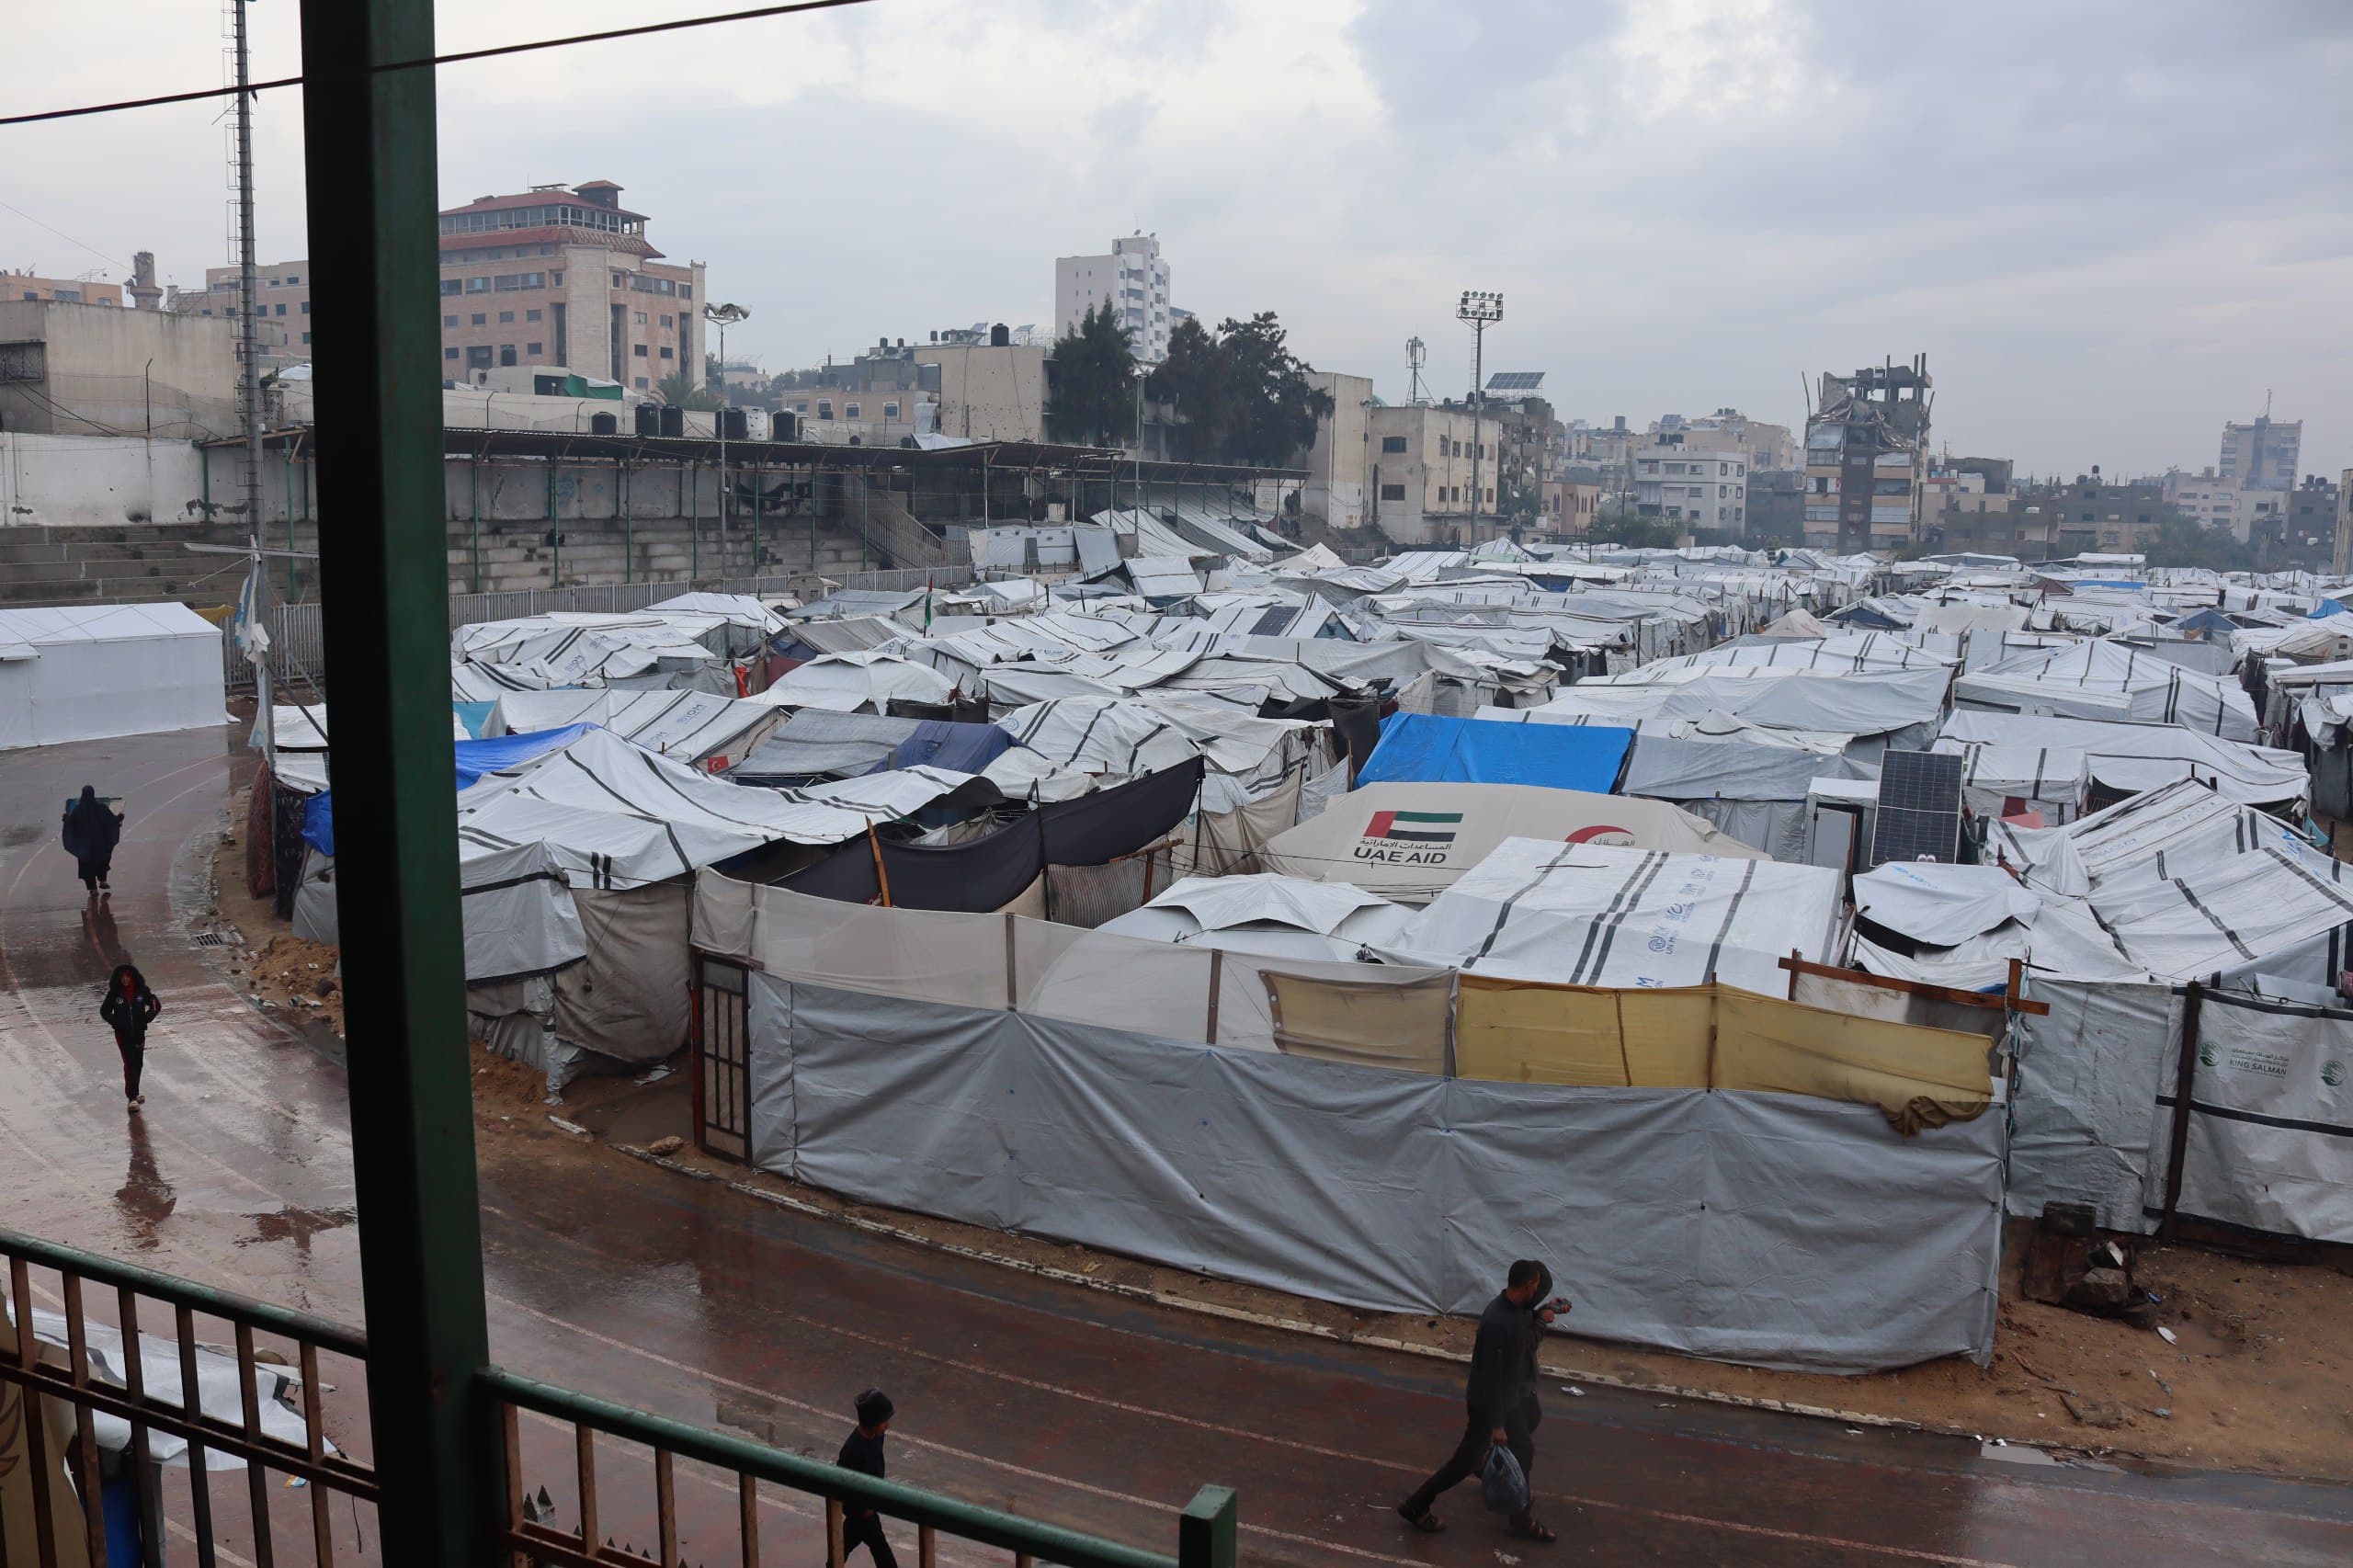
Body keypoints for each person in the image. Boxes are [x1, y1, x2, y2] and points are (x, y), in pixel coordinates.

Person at [1397, 1259, 1570, 1543]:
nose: (1538, 1291)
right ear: (1528, 1285)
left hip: (1506, 1400)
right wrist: (1497, 1425)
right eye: (1537, 1286)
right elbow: (1491, 1379)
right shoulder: (1498, 1322)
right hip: (1488, 1405)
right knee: (1464, 1462)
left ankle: (1519, 1516)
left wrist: (1542, 1313)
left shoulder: (1512, 1311)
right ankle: (1416, 1504)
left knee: (1523, 1447)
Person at [836, 1387, 899, 1568]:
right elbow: (842, 1482)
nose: (887, 1426)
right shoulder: (853, 1450)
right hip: (863, 1513)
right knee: (882, 1552)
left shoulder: (876, 1436)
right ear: (872, 1423)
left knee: (842, 1548)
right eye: (884, 1421)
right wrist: (863, 1510)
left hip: (866, 1510)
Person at [98, 963, 162, 1114]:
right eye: (122, 977)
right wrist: (117, 1023)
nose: (125, 980)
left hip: (139, 1034)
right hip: (123, 1035)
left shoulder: (142, 991)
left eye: (127, 976)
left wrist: (146, 1019)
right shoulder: (114, 994)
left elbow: (155, 1005)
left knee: (138, 1064)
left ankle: (135, 1091)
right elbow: (104, 1011)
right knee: (130, 1064)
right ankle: (132, 1098)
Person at [61, 785, 124, 895]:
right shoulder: (101, 808)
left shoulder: (78, 810)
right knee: (102, 862)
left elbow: (70, 823)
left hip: (85, 847)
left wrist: (65, 818)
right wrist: (120, 817)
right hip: (100, 845)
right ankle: (103, 881)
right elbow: (111, 821)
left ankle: (93, 889)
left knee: (87, 867)